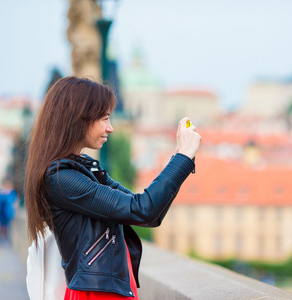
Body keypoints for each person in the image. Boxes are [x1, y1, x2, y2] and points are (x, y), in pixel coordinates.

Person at [24, 76, 201, 299]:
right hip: (96, 293)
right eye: (105, 118)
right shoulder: (61, 178)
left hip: (107, 290)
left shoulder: (84, 170)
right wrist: (183, 157)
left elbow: (149, 215)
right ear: (78, 118)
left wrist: (179, 156)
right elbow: (143, 209)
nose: (111, 128)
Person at [0, 178, 17, 245]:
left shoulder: (12, 192)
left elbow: (14, 203)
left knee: (7, 227)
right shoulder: (0, 192)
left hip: (8, 213)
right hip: (0, 212)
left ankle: (5, 239)